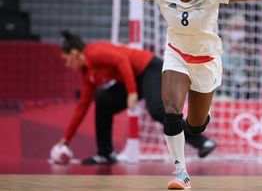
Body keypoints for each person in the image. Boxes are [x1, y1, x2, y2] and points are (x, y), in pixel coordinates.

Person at [63, 0, 262, 189]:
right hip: (176, 56)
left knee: (195, 126)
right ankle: (181, 173)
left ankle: (201, 117)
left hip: (207, 62)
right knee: (171, 112)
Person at [54, 31, 217, 165]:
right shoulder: (88, 74)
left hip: (149, 68)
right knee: (103, 100)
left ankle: (202, 142)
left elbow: (122, 60)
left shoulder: (93, 52)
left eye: (65, 59)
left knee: (157, 110)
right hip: (134, 78)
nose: (67, 64)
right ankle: (105, 153)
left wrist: (131, 92)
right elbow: (81, 108)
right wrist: (66, 139)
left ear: (74, 53)